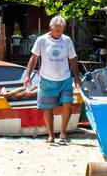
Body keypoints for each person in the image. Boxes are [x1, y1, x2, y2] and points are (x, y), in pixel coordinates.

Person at [22, 15, 82, 144]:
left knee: (68, 105)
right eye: (56, 30)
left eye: (61, 30)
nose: (59, 32)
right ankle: (51, 135)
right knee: (48, 108)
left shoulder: (67, 41)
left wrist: (77, 76)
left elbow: (73, 58)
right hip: (47, 79)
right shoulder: (42, 40)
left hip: (65, 79)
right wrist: (28, 75)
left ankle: (63, 133)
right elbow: (34, 58)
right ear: (51, 27)